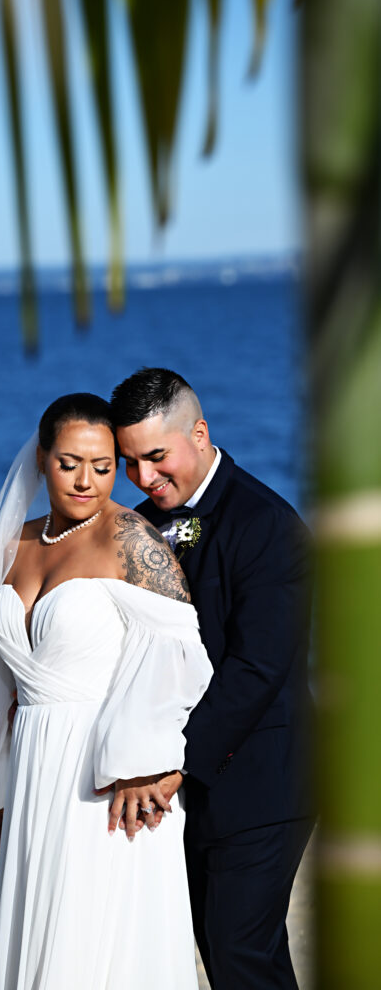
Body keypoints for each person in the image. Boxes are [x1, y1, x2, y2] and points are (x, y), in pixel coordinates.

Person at [0, 392, 213, 989]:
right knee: (36, 929)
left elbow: (183, 660)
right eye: (70, 463)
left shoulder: (131, 541)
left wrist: (147, 764)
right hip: (34, 769)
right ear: (41, 459)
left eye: (104, 465)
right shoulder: (11, 547)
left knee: (93, 941)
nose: (87, 480)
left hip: (107, 776)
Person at [109, 368, 314, 990]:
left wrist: (174, 766)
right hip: (185, 788)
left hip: (259, 783)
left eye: (156, 457)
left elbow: (257, 667)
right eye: (129, 463)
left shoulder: (268, 525)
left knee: (238, 957)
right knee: (231, 955)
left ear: (199, 433)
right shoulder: (140, 525)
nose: (144, 478)